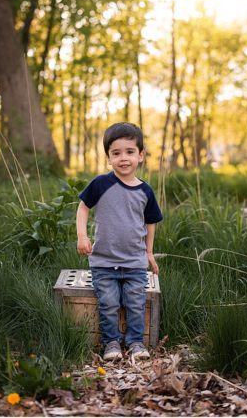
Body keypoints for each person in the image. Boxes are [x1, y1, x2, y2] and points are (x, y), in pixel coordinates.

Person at [76, 122, 162, 361]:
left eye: (130, 152)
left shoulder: (145, 191)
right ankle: (111, 343)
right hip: (104, 261)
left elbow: (151, 222)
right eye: (116, 153)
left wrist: (149, 253)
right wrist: (82, 236)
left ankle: (135, 342)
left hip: (134, 261)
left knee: (135, 303)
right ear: (108, 157)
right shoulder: (101, 184)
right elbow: (83, 207)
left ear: (141, 156)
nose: (123, 158)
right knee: (109, 303)